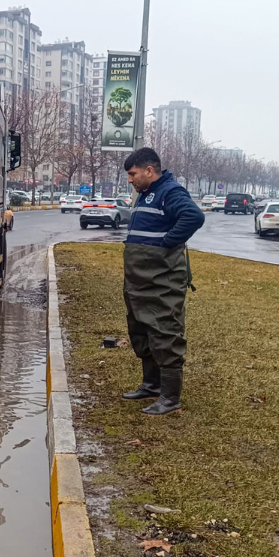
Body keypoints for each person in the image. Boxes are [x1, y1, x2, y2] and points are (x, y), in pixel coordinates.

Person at [121, 148, 205, 415]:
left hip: (161, 280)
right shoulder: (145, 195)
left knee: (164, 331)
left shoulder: (170, 191)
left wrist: (167, 243)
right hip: (140, 280)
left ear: (149, 170)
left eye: (133, 174)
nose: (130, 180)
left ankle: (170, 398)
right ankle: (151, 385)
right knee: (142, 330)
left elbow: (194, 216)